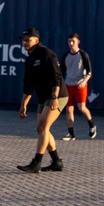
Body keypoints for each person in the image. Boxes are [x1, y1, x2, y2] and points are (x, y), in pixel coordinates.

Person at [17, 28, 67, 173]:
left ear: (37, 40)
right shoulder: (29, 60)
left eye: (28, 40)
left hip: (58, 96)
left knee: (44, 128)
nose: (25, 42)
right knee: (41, 129)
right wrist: (23, 106)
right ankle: (57, 162)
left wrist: (54, 98)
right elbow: (28, 87)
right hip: (43, 98)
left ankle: (36, 163)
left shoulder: (47, 54)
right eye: (24, 40)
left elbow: (56, 77)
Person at [60, 33, 97, 140]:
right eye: (69, 41)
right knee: (69, 109)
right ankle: (71, 134)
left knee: (81, 108)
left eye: (73, 41)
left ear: (78, 42)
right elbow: (61, 73)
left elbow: (89, 73)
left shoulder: (83, 55)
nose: (71, 43)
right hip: (68, 85)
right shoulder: (65, 56)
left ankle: (92, 125)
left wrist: (84, 82)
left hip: (80, 85)